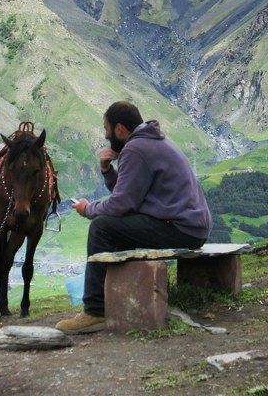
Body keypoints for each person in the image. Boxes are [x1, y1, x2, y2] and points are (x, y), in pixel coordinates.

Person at [56, 101, 212, 333]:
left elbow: (121, 204)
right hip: (191, 227)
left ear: (120, 129)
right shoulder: (152, 141)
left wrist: (87, 209)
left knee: (101, 227)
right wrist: (108, 171)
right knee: (117, 227)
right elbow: (129, 195)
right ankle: (122, 298)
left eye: (108, 132)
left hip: (180, 228)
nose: (107, 138)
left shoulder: (135, 149)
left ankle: (95, 311)